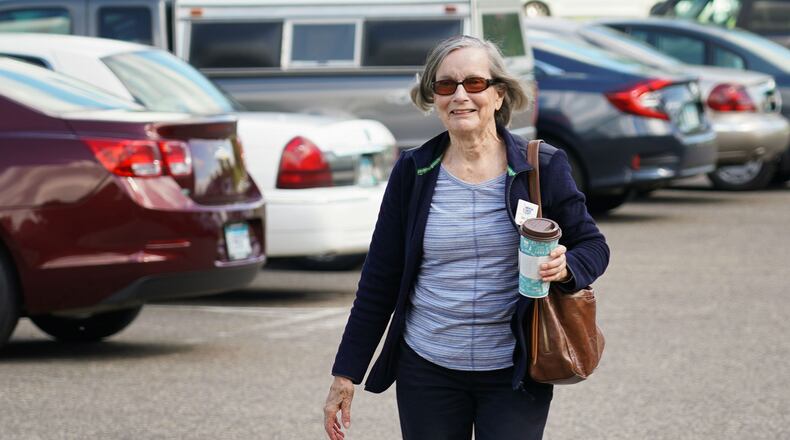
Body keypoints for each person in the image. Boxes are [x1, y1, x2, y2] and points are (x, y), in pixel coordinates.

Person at [323, 35, 609, 440]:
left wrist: (567, 268)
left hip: (515, 367)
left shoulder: (540, 166)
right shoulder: (414, 170)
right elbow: (379, 279)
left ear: (499, 94)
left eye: (473, 83)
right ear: (433, 98)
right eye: (445, 85)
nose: (459, 95)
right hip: (428, 369)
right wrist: (345, 373)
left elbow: (594, 246)